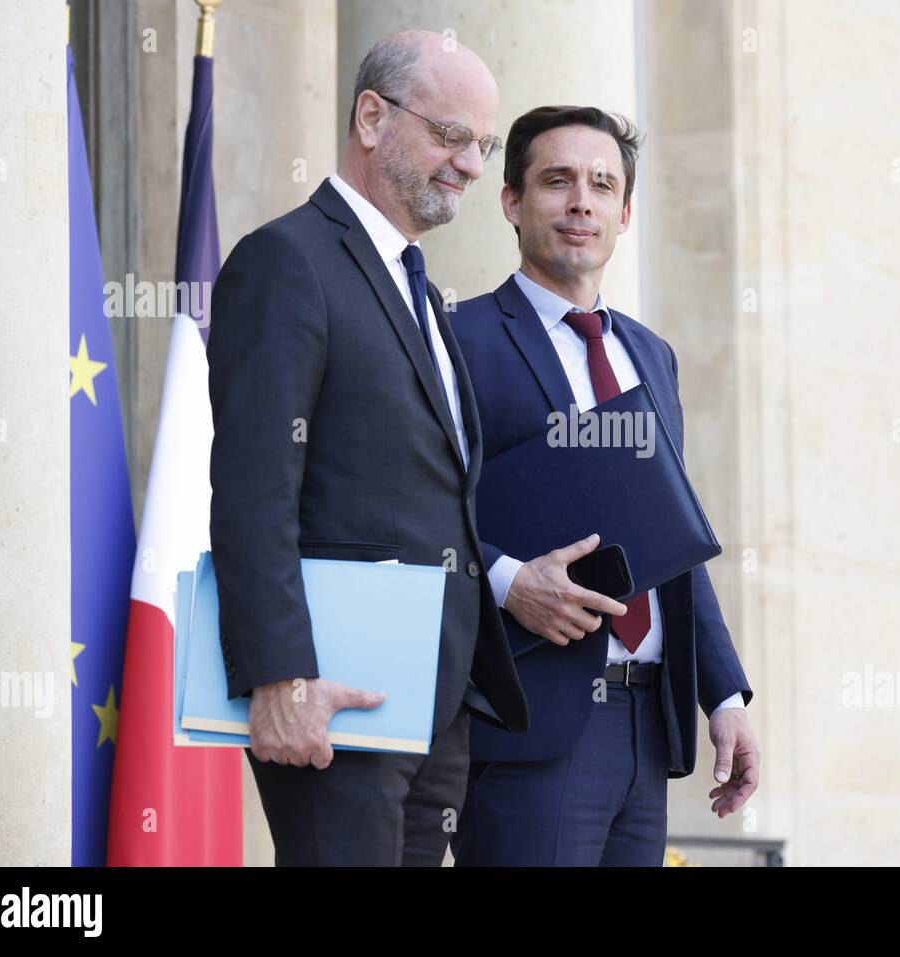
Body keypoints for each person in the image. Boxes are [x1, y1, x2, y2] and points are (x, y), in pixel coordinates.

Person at [206, 31, 526, 866]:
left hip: (431, 698)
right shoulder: (286, 261)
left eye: (483, 147)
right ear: (372, 116)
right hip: (332, 698)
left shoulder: (421, 292)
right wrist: (280, 677)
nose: (469, 164)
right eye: (451, 135)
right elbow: (253, 489)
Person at [451, 106, 760, 866]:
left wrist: (723, 696)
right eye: (556, 181)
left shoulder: (652, 357)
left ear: (624, 213)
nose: (580, 201)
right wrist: (506, 580)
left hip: (645, 728)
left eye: (601, 184)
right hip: (529, 723)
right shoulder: (458, 339)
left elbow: (674, 541)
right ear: (512, 202)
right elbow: (419, 508)